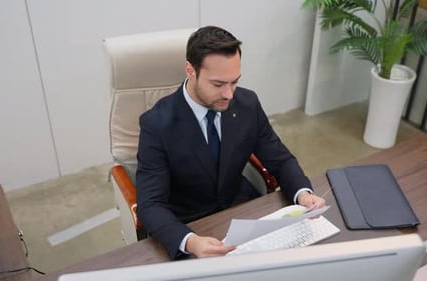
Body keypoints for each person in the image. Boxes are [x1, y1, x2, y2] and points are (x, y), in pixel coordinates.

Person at [136, 25, 325, 260]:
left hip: (242, 212)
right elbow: (150, 204)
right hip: (191, 224)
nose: (229, 94)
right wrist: (191, 242)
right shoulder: (156, 124)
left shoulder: (247, 104)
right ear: (190, 70)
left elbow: (281, 160)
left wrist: (303, 194)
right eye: (218, 84)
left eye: (234, 82)